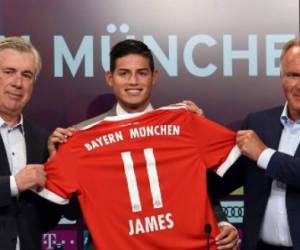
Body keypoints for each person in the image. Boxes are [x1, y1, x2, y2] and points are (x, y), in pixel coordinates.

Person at [49, 39, 238, 249]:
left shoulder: (184, 124)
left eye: (142, 73)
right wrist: (57, 160)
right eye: (124, 73)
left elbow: (202, 184)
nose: (133, 81)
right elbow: (71, 212)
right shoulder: (80, 135)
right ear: (110, 78)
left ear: (154, 76)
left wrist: (220, 220)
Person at [208, 37, 300, 250]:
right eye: (293, 75)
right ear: (281, 76)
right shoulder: (257, 123)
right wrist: (196, 129)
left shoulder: (258, 145)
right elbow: (214, 185)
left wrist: (263, 154)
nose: (299, 85)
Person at [0, 36, 62, 250]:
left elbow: (46, 220)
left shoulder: (41, 139)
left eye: (26, 75)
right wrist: (14, 184)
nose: (17, 83)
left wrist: (57, 172)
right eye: (9, 72)